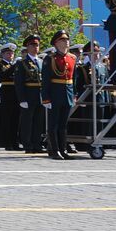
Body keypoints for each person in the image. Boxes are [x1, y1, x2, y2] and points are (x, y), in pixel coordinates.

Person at [41, 30, 76, 160]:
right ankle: (54, 150)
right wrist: (45, 98)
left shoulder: (72, 58)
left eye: (67, 39)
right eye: (63, 40)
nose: (66, 42)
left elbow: (74, 78)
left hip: (68, 93)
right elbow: (45, 80)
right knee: (53, 124)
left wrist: (74, 94)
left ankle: (63, 149)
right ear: (56, 43)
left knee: (63, 124)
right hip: (55, 93)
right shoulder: (50, 58)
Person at [14, 34, 46, 153]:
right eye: (33, 45)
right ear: (27, 47)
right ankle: (27, 145)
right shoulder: (22, 63)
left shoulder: (42, 62)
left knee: (39, 122)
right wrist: (22, 99)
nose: (35, 47)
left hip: (40, 95)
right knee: (27, 122)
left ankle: (37, 144)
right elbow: (19, 82)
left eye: (37, 45)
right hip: (28, 95)